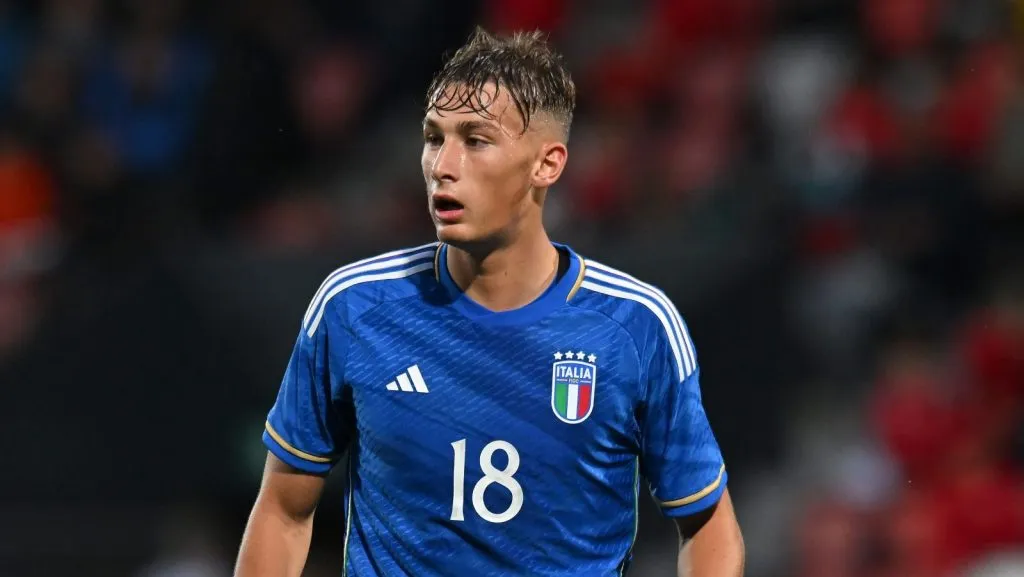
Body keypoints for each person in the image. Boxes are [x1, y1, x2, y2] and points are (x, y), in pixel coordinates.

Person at [236, 27, 744, 577]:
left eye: (476, 140)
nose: (443, 165)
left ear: (547, 164)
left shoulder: (636, 326)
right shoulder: (354, 308)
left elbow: (707, 524)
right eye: (434, 137)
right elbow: (283, 511)